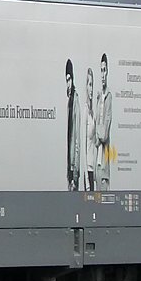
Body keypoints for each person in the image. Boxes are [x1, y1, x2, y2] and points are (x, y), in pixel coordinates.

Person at [96, 53, 113, 190]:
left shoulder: (108, 97)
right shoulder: (98, 97)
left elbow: (103, 135)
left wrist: (98, 132)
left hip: (105, 155)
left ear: (107, 72)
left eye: (104, 70)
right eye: (100, 70)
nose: (102, 74)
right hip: (97, 157)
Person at [65, 59, 80, 191]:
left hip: (73, 170)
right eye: (66, 80)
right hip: (69, 171)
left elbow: (77, 141)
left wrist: (75, 175)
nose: (68, 84)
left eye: (69, 79)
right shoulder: (69, 103)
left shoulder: (76, 101)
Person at [84, 67, 97, 192]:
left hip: (94, 169)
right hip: (88, 169)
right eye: (89, 84)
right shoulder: (85, 111)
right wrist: (87, 181)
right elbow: (83, 147)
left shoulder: (93, 112)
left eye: (92, 84)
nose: (91, 88)